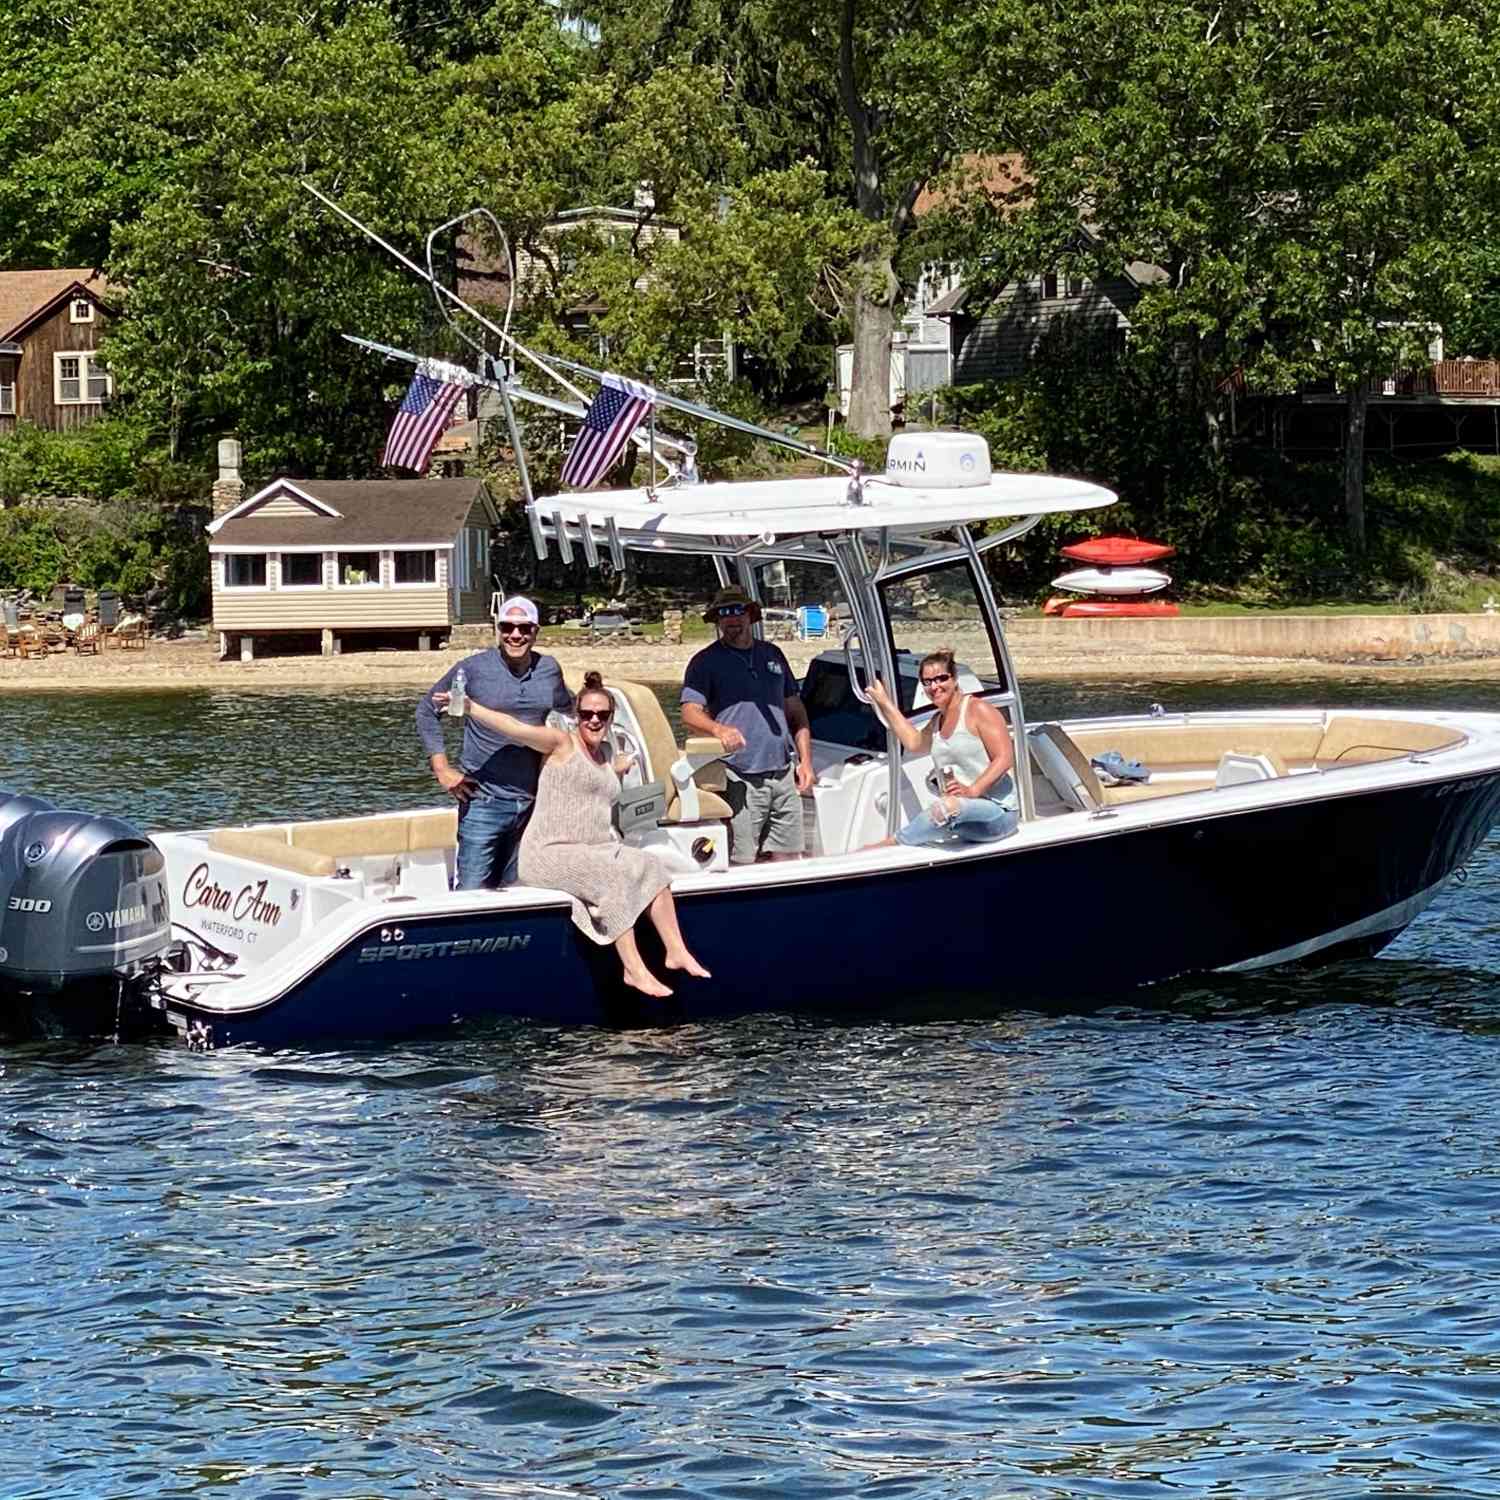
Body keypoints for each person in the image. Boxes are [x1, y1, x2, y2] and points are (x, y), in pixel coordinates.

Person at [438, 670, 711, 997]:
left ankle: (676, 951)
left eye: (601, 715)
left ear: (610, 718)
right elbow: (516, 729)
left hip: (594, 848)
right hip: (547, 853)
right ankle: (633, 970)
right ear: (576, 716)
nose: (593, 721)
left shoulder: (608, 755)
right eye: (586, 714)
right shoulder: (561, 745)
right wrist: (471, 708)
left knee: (652, 867)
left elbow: (603, 784)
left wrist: (618, 769)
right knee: (611, 877)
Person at [415, 596, 573, 889]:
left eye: (524, 628)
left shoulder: (549, 669)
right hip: (483, 802)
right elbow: (426, 711)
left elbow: (571, 709)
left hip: (534, 805)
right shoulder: (472, 669)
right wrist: (442, 769)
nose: (516, 635)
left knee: (523, 892)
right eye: (508, 627)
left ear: (536, 631)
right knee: (472, 895)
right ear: (498, 630)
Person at [680, 587, 814, 865]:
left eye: (737, 611)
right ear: (717, 620)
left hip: (783, 773)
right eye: (724, 613)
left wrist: (806, 762)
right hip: (739, 776)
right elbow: (690, 713)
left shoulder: (773, 654)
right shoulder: (705, 662)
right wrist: (719, 730)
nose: (732, 619)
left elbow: (796, 712)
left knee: (790, 856)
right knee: (742, 859)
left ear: (750, 615)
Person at [864, 648, 1019, 847]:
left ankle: (886, 845)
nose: (934, 686)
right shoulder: (938, 721)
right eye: (927, 682)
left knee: (945, 808)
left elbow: (1004, 758)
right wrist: (884, 702)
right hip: (963, 813)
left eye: (941, 679)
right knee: (943, 809)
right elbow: (914, 743)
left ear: (954, 679)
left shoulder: (978, 709)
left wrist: (973, 790)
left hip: (998, 812)